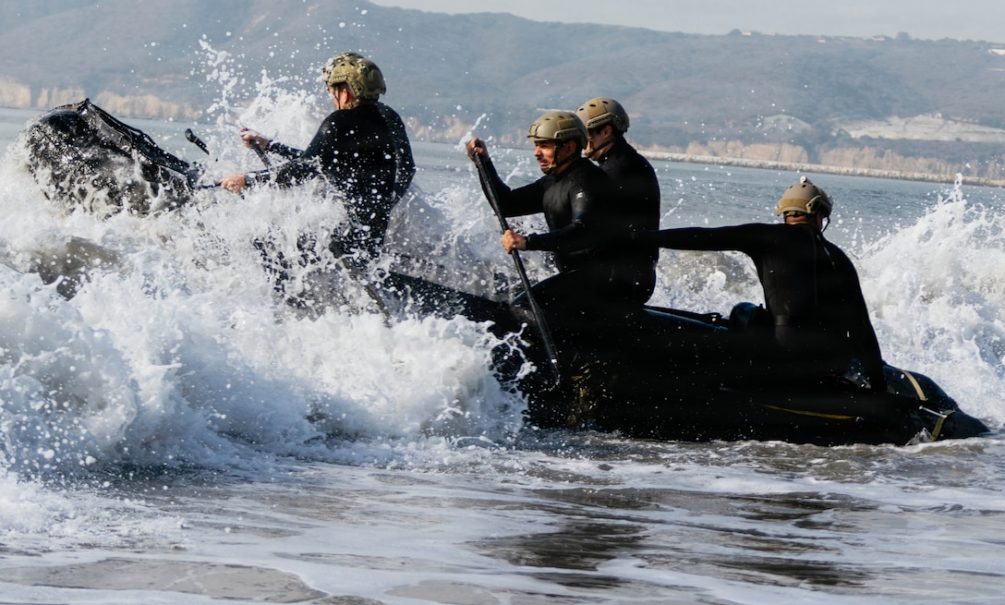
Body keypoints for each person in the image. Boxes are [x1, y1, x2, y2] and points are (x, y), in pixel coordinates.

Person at [635, 176, 887, 391]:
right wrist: (879, 388)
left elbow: (703, 236)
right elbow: (861, 328)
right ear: (818, 215)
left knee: (743, 312)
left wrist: (643, 238)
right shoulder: (839, 258)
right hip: (826, 364)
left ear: (785, 213)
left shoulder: (766, 237)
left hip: (782, 358)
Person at [220, 51, 415, 261]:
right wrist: (271, 146)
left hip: (339, 239)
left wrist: (247, 180)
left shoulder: (339, 121)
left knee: (264, 237)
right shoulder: (388, 117)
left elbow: (304, 168)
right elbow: (406, 169)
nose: (331, 97)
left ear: (346, 92)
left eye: (332, 91)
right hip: (372, 237)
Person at [466, 111, 643, 324]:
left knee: (523, 308)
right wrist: (484, 163)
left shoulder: (587, 180)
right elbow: (505, 205)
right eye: (536, 145)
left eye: (544, 146)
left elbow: (583, 230)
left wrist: (528, 242)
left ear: (568, 147)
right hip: (580, 279)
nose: (536, 153)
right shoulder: (552, 182)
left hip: (610, 281)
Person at [575, 97, 660, 302]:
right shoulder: (624, 162)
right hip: (633, 275)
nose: (580, 141)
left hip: (621, 280)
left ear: (606, 131)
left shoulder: (618, 170)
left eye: (585, 134)